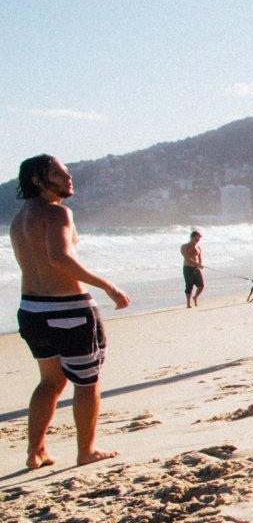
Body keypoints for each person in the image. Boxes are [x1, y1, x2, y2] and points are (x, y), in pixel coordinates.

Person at [10, 154, 130, 469]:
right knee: (87, 382)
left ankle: (35, 452)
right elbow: (60, 258)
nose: (68, 178)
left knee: (49, 382)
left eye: (68, 173)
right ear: (38, 180)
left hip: (31, 310)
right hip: (68, 310)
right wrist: (108, 286)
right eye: (59, 174)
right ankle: (86, 450)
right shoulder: (57, 214)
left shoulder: (20, 218)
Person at [181, 230, 204, 308]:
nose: (198, 240)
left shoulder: (198, 247)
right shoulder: (184, 246)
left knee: (201, 285)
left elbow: (200, 258)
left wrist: (200, 264)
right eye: (197, 238)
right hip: (187, 268)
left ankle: (195, 297)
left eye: (199, 239)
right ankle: (188, 303)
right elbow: (187, 259)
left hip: (196, 269)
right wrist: (197, 264)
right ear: (192, 237)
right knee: (189, 285)